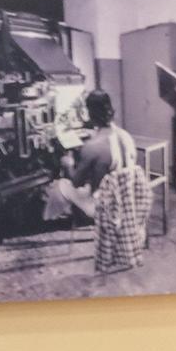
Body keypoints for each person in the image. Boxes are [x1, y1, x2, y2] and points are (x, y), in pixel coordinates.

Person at [43, 89, 151, 272]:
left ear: (90, 114)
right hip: (128, 201)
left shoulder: (91, 147)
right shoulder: (126, 136)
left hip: (103, 207)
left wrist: (68, 162)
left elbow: (76, 182)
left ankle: (49, 220)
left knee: (59, 185)